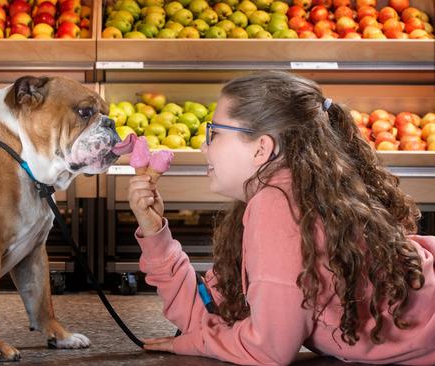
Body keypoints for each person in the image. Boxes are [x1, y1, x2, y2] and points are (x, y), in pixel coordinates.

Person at [127, 71, 435, 365]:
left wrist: (192, 344)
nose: (203, 146)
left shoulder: (278, 206)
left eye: (215, 133)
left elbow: (270, 351)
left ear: (262, 148)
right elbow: (207, 311)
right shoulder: (283, 196)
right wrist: (154, 231)